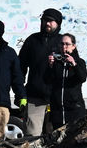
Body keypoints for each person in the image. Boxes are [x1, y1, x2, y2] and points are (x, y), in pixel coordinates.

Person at [19, 8, 63, 136]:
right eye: (45, 20)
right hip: (34, 97)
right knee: (32, 136)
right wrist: (20, 93)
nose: (47, 23)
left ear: (58, 24)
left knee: (55, 137)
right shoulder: (32, 40)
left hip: (57, 99)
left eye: (51, 21)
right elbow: (20, 67)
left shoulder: (63, 42)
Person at [46, 33, 87, 129]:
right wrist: (50, 66)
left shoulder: (79, 62)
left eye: (67, 44)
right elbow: (47, 80)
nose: (64, 46)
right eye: (62, 44)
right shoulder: (56, 63)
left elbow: (82, 78)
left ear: (73, 46)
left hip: (74, 110)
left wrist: (73, 64)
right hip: (57, 111)